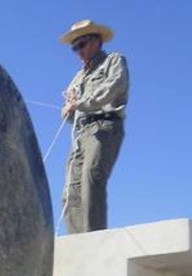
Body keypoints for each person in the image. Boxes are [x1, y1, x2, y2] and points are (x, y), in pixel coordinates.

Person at [60, 19, 129, 234]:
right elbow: (71, 114)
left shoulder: (114, 61)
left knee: (91, 177)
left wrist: (80, 104)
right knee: (70, 193)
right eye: (75, 47)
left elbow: (112, 89)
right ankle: (77, 242)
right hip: (82, 133)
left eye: (82, 44)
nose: (78, 50)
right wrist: (68, 111)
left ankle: (94, 238)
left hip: (105, 126)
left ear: (97, 41)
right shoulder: (77, 78)